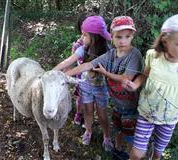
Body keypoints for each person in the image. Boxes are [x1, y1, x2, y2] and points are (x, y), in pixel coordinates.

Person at [65, 16, 143, 155]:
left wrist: (105, 73)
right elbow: (88, 64)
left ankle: (113, 142)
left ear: (132, 36)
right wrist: (66, 74)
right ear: (112, 37)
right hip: (117, 102)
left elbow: (125, 78)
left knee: (130, 135)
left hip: (131, 105)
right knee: (117, 126)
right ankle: (114, 148)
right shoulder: (110, 53)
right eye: (118, 37)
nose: (122, 41)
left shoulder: (134, 55)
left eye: (126, 36)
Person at [123, 14, 178, 160]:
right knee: (136, 153)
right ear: (165, 41)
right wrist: (135, 85)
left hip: (169, 118)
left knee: (158, 152)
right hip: (147, 113)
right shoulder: (153, 56)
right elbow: (144, 75)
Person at [54, 16, 113, 150]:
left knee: (102, 114)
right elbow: (68, 61)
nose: (82, 38)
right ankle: (88, 131)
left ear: (95, 37)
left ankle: (107, 136)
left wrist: (62, 75)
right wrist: (52, 73)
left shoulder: (108, 52)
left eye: (85, 35)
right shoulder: (83, 48)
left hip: (101, 88)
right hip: (85, 85)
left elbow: (85, 66)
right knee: (87, 110)